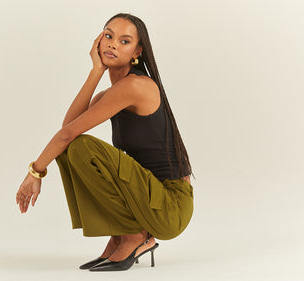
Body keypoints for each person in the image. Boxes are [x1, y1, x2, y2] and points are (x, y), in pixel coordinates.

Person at [16, 13, 195, 272]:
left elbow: (68, 135)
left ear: (138, 51)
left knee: (81, 147)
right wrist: (96, 71)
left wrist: (35, 172)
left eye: (124, 41)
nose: (112, 44)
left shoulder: (135, 86)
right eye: (108, 36)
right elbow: (68, 129)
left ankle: (135, 237)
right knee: (71, 147)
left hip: (170, 207)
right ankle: (122, 233)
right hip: (149, 198)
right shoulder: (111, 94)